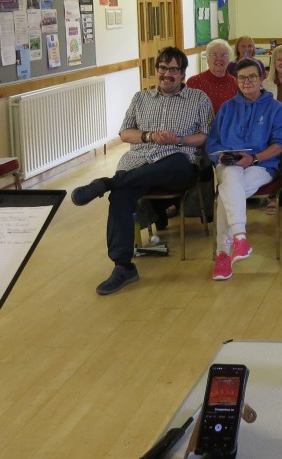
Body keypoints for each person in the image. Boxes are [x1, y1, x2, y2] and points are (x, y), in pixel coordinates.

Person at [71, 47, 213, 295]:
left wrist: (178, 140)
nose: (167, 74)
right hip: (139, 163)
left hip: (178, 164)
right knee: (120, 196)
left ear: (182, 74)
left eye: (173, 69)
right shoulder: (140, 98)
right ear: (156, 70)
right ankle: (123, 267)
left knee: (172, 163)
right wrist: (149, 136)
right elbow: (125, 133)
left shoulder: (199, 98)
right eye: (163, 68)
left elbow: (206, 136)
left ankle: (107, 182)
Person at [206, 59, 282, 281]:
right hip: (228, 164)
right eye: (242, 78)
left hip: (260, 166)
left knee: (226, 193)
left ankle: (223, 254)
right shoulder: (227, 108)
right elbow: (212, 141)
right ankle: (240, 238)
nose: (247, 81)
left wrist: (253, 158)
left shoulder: (275, 108)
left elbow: (279, 144)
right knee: (231, 173)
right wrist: (220, 157)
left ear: (262, 78)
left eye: (252, 76)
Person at [187, 38, 238, 113]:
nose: (219, 59)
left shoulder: (236, 84)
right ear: (207, 59)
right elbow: (187, 111)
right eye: (214, 55)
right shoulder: (194, 82)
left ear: (229, 60)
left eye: (224, 55)